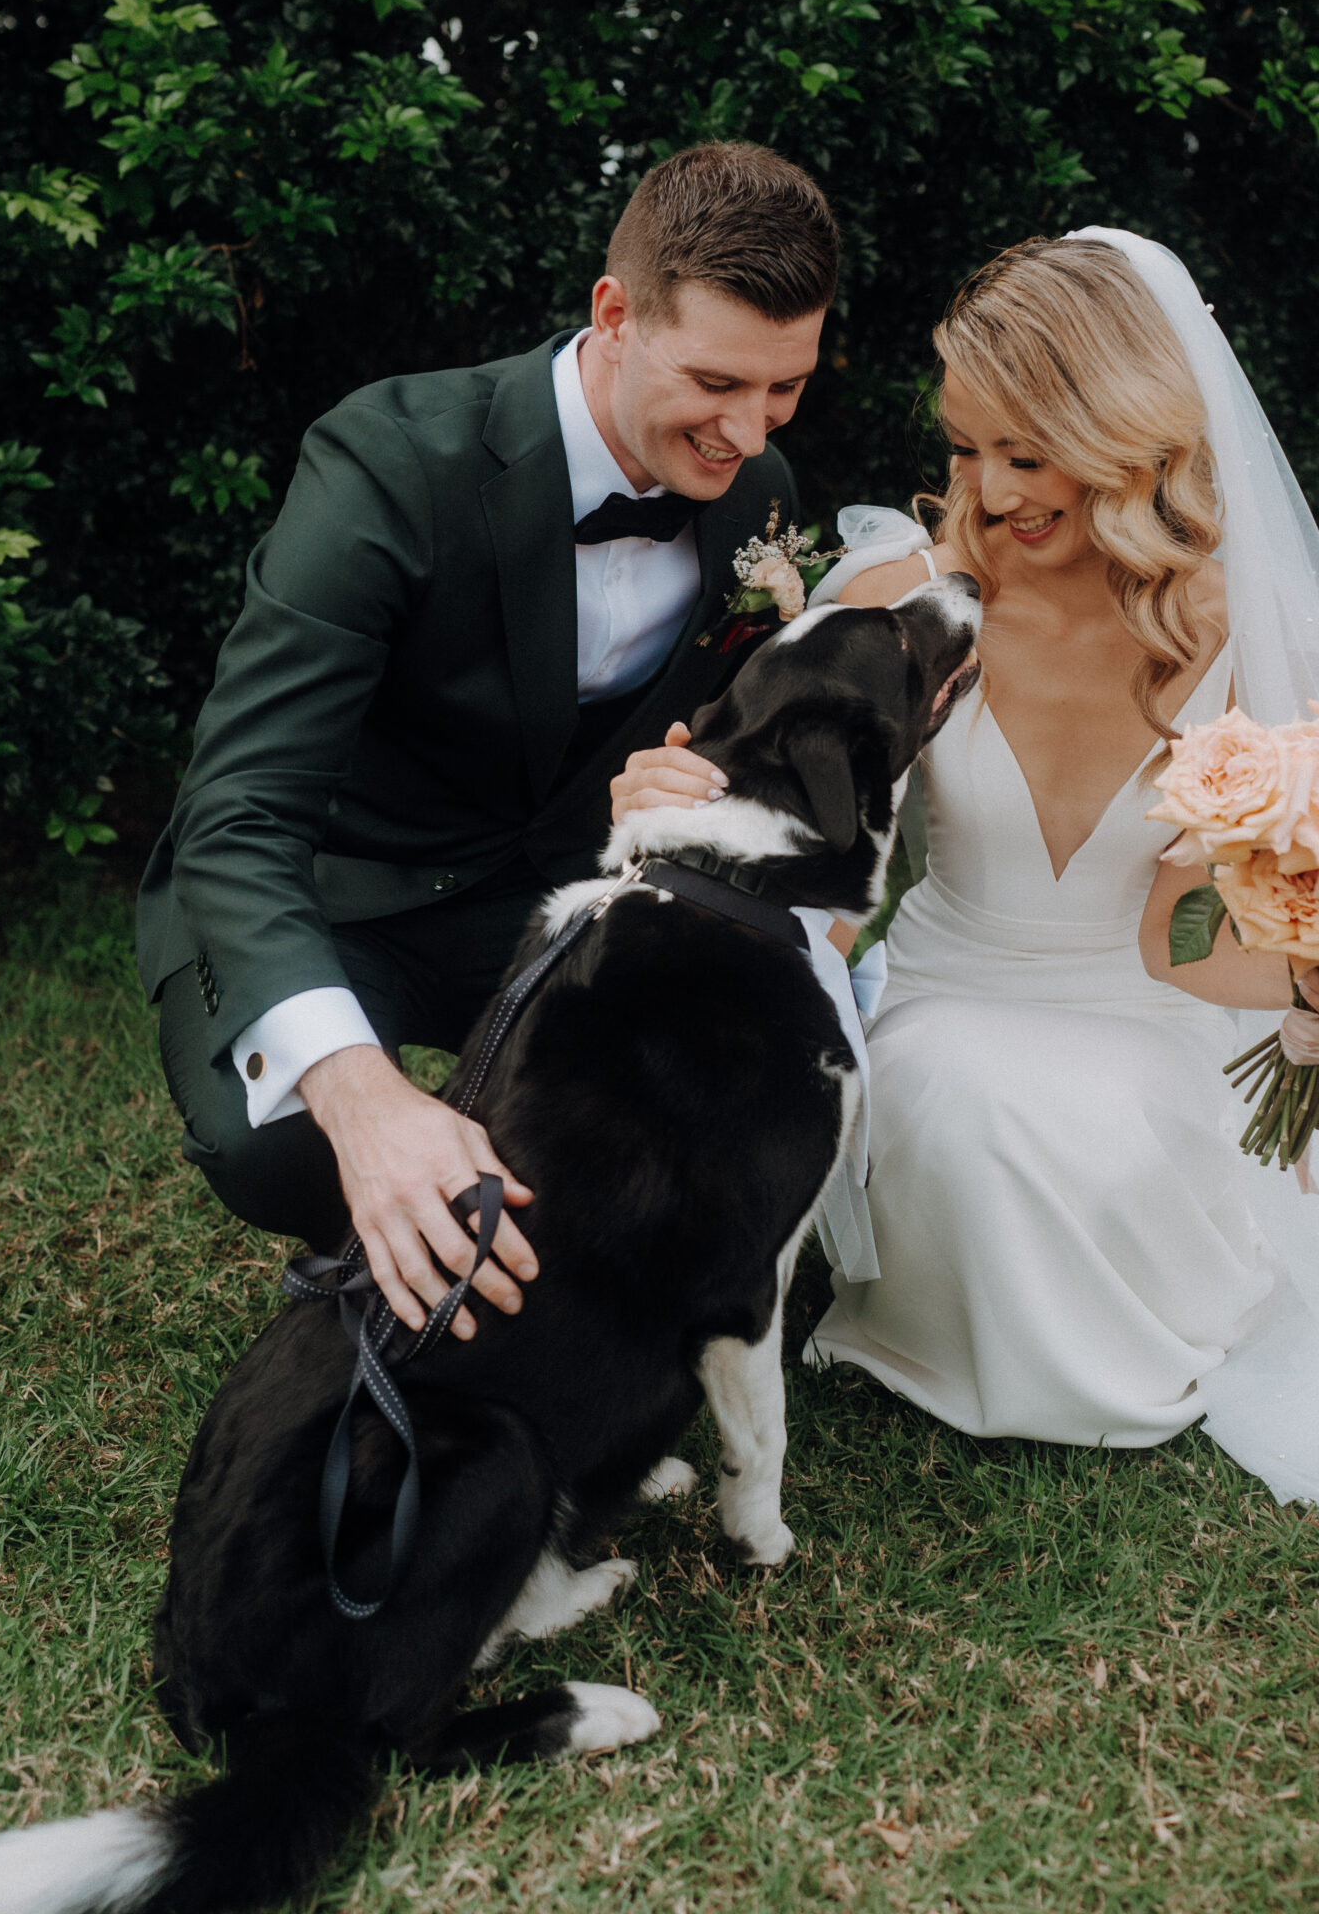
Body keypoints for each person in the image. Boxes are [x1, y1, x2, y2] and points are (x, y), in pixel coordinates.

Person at [623, 227, 1319, 1521]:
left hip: (1158, 1015)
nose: (989, 489)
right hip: (950, 993)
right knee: (956, 1101)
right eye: (966, 447)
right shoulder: (906, 600)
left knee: (1079, 1123)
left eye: (1028, 453)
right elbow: (828, 893)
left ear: (1128, 438)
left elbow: (1180, 937)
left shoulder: (1236, 628)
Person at [137, 140, 837, 1343]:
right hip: (349, 888)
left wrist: (674, 790)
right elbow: (240, 808)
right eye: (718, 381)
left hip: (560, 898)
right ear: (616, 313)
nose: (748, 428)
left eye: (785, 386)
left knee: (733, 1128)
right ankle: (409, 1223)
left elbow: (726, 739)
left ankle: (566, 1274)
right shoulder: (390, 461)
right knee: (278, 1138)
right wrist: (365, 1100)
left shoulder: (756, 487)